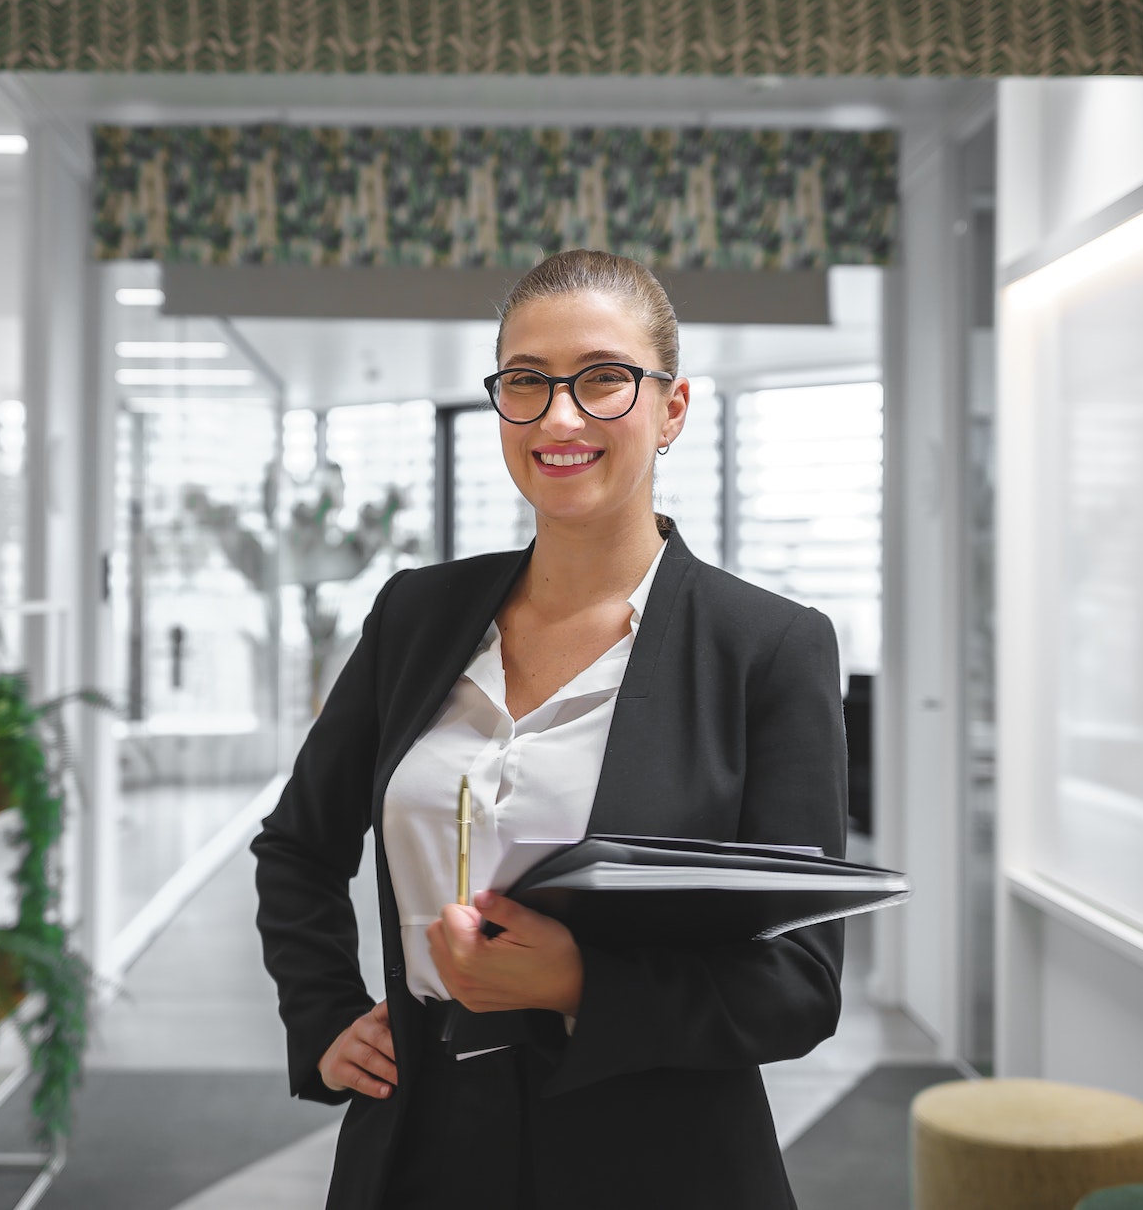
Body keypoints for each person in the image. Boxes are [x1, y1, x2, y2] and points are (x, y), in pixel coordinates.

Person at [252, 249, 849, 1210]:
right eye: (526, 382)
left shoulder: (767, 648)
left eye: (604, 378)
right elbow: (297, 847)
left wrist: (579, 981)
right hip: (417, 1146)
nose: (559, 417)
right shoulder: (415, 616)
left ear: (673, 409)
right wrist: (321, 1013)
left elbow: (799, 982)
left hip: (659, 1161)